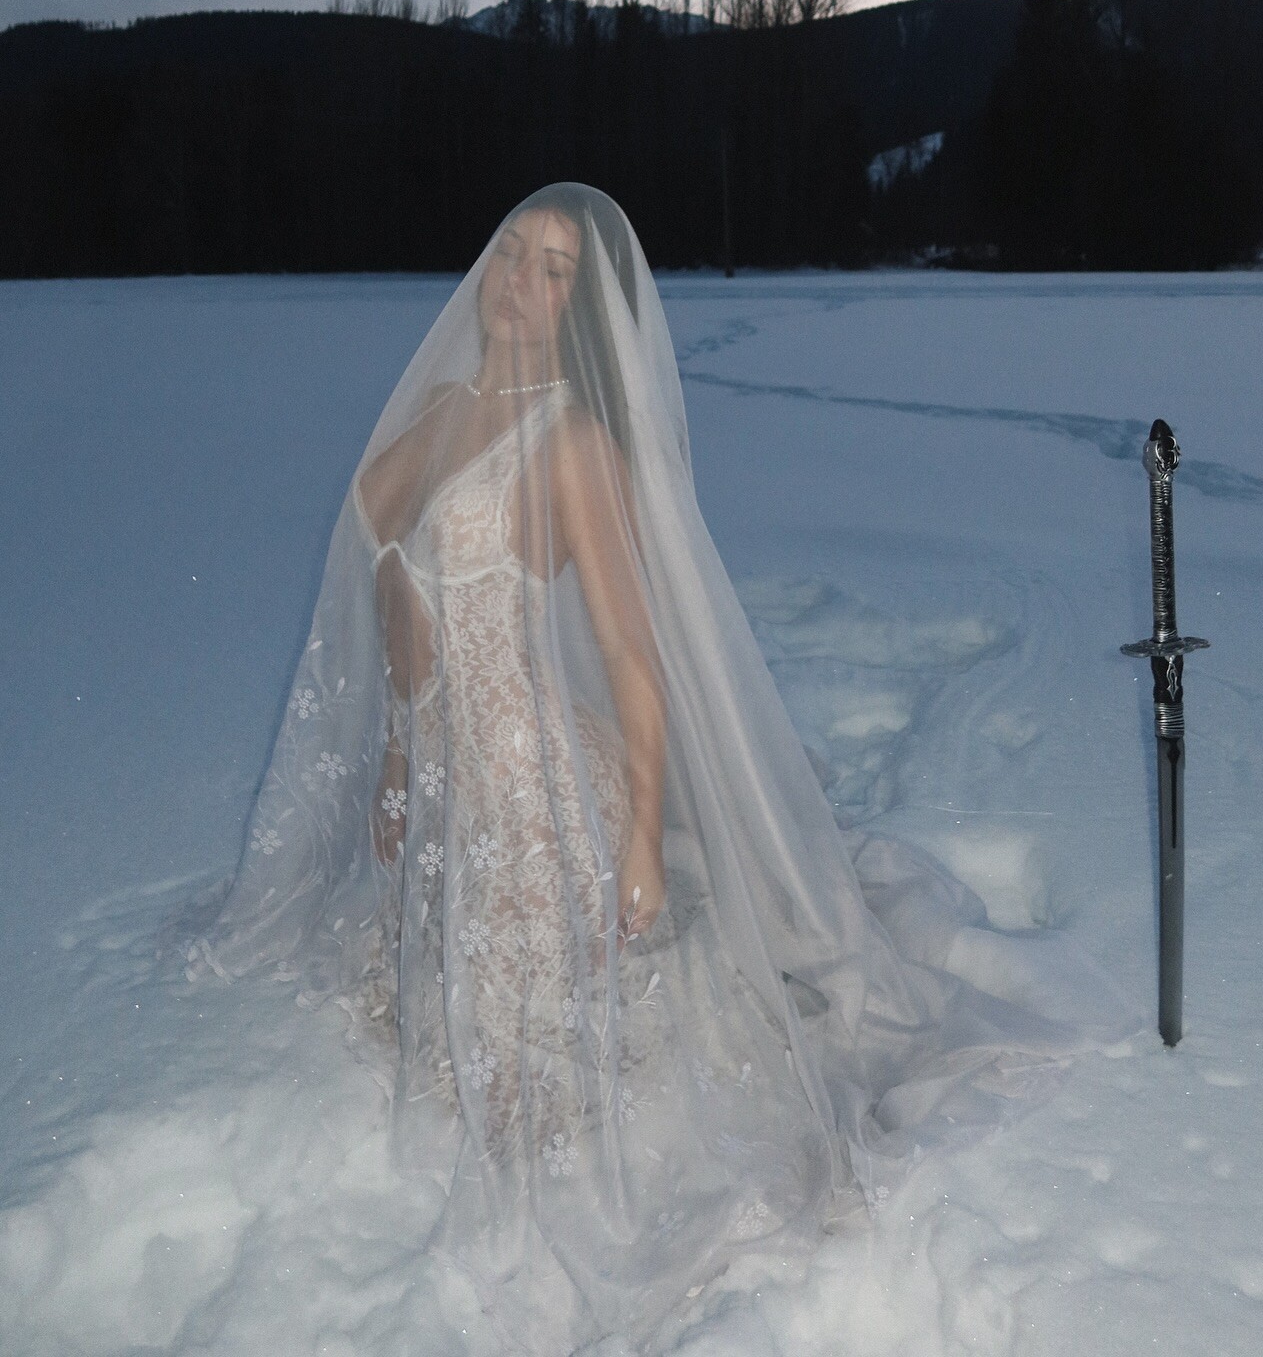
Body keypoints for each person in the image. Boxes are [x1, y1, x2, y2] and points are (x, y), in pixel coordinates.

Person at [193, 183, 1121, 1353]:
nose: (521, 283)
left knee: (544, 1092)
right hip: (449, 787)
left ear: (579, 310)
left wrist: (637, 831)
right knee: (442, 1040)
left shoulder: (572, 444)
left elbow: (634, 653)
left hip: (534, 793)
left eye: (555, 272)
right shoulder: (434, 413)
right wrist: (393, 761)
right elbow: (400, 606)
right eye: (513, 253)